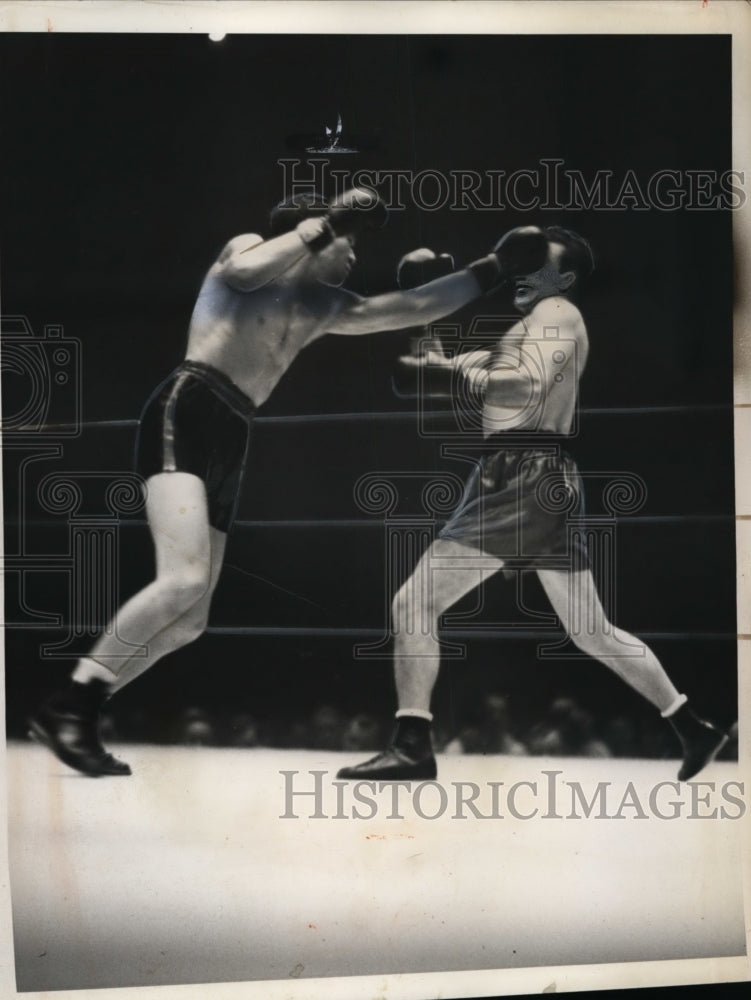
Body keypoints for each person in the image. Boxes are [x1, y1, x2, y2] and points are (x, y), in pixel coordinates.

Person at [29, 188, 548, 777]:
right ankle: (73, 700)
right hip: (188, 405)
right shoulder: (247, 253)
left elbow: (409, 307)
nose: (355, 252)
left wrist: (493, 269)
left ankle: (83, 704)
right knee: (184, 578)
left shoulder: (322, 305)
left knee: (192, 615)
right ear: (315, 231)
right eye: (350, 240)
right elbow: (244, 271)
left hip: (233, 430)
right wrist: (326, 223)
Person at [337, 227, 728, 783]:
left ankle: (412, 746)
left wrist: (452, 371)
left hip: (522, 473)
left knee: (413, 604)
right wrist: (427, 308)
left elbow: (526, 389)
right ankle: (693, 726)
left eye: (534, 263)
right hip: (533, 475)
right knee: (592, 631)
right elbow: (424, 379)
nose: (519, 271)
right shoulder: (524, 330)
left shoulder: (558, 313)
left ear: (562, 279)